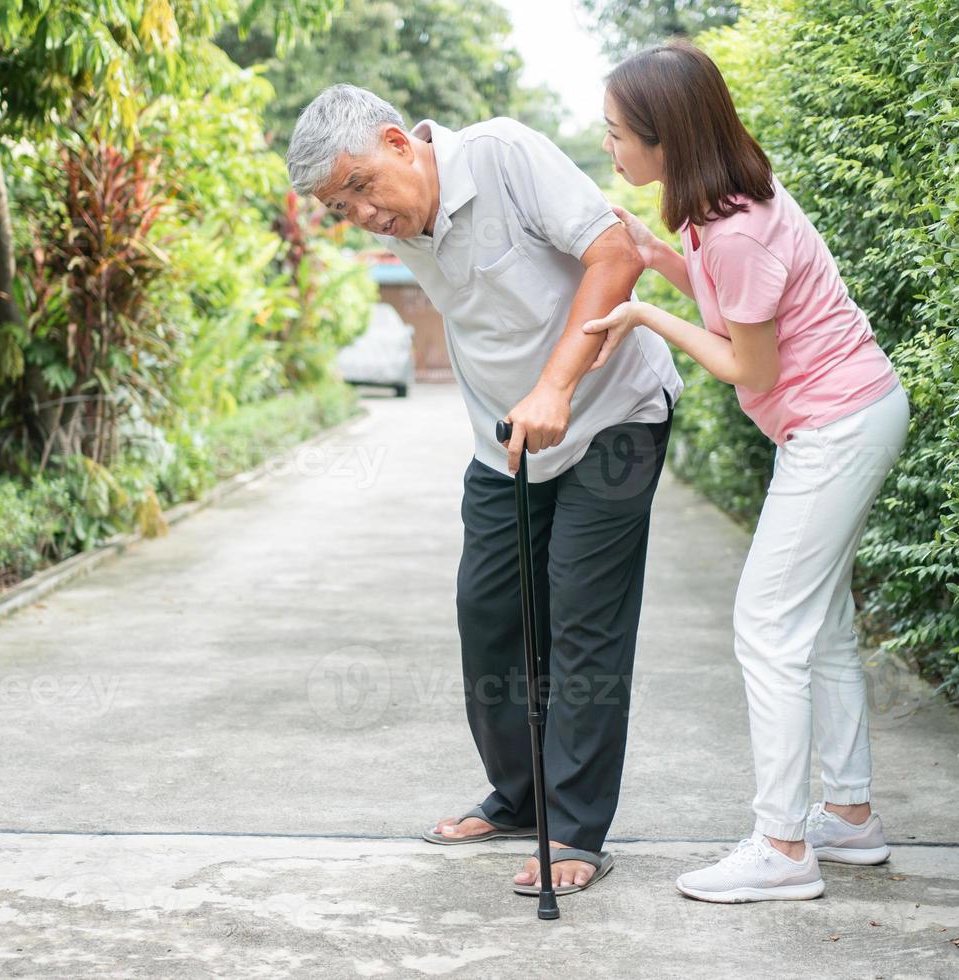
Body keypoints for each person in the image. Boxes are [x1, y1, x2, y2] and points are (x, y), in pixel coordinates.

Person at [285, 84, 684, 896]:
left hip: (614, 418)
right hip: (507, 442)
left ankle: (573, 830)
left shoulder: (503, 154)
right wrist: (521, 404)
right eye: (339, 204)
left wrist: (557, 385)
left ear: (401, 143)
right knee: (490, 614)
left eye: (361, 186)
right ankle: (519, 797)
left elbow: (616, 253)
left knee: (582, 618)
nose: (360, 213)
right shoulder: (404, 222)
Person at [583, 40, 910, 903]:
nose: (608, 147)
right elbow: (734, 301)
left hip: (836, 426)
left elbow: (750, 370)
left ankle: (783, 846)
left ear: (666, 138)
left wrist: (648, 313)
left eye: (618, 133)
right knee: (822, 622)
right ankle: (847, 816)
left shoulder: (733, 228)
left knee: (767, 624)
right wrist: (660, 261)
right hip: (849, 414)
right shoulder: (719, 204)